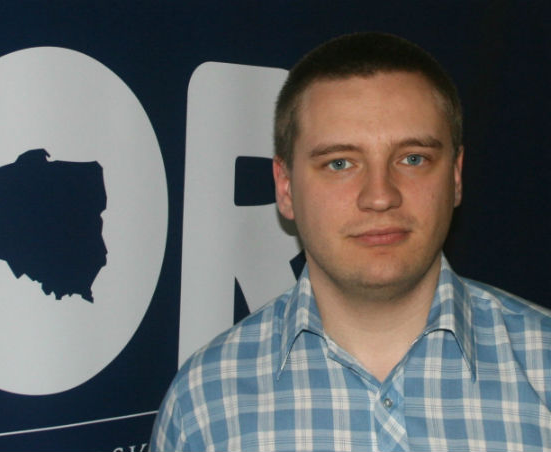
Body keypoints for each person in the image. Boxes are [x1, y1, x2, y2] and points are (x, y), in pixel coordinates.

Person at [151, 32, 551, 451]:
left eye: (413, 158)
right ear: (285, 188)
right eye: (340, 163)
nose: (380, 196)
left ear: (454, 176)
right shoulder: (203, 405)